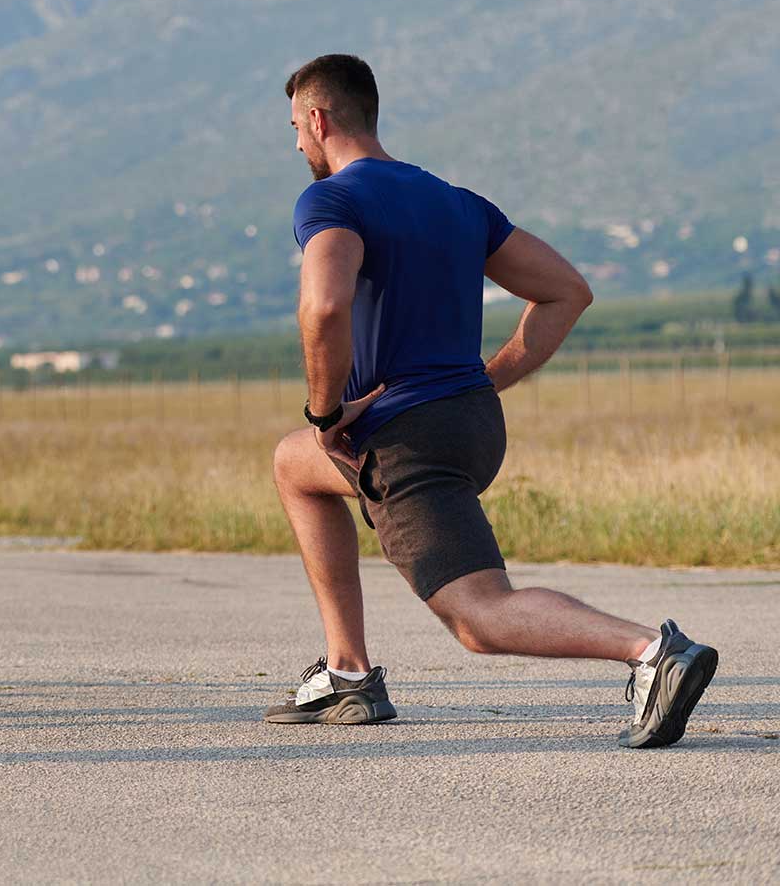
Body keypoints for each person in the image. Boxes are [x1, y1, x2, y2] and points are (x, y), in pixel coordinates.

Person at [264, 55, 718, 747]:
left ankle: (655, 653)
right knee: (296, 464)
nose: (297, 143)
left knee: (479, 616)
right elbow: (568, 290)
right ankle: (346, 671)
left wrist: (326, 415)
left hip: (409, 439)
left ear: (319, 121)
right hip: (475, 423)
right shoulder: (455, 201)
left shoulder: (333, 201)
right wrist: (490, 376)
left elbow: (323, 304)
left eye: (295, 127)